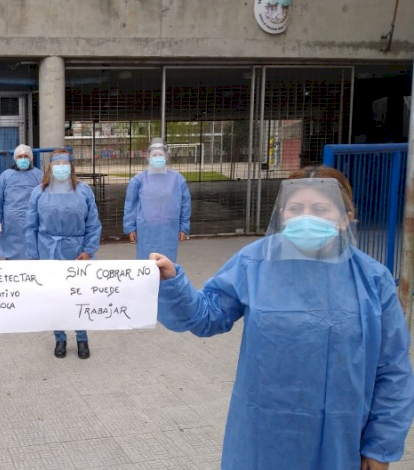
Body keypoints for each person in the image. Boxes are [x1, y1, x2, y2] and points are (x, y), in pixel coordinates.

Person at [151, 166, 414, 470]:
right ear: (282, 215)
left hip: (341, 440)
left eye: (320, 209)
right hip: (264, 437)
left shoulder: (372, 280)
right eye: (295, 208)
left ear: (345, 218)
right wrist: (173, 283)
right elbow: (206, 315)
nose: (306, 218)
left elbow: (392, 368)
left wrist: (380, 447)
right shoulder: (255, 262)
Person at [25, 149, 102, 359]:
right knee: (55, 297)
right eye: (56, 163)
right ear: (50, 167)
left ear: (71, 166)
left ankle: (82, 337)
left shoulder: (84, 191)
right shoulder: (39, 192)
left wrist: (88, 250)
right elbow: (30, 227)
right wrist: (34, 257)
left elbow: (93, 224)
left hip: (76, 251)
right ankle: (59, 337)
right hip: (47, 250)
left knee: (79, 295)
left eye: (64, 163)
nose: (60, 167)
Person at [123, 137, 191, 262]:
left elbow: (185, 204)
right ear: (149, 157)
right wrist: (130, 227)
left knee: (168, 266)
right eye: (155, 155)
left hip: (169, 231)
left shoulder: (177, 179)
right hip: (145, 232)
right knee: (146, 267)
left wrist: (183, 227)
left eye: (161, 154)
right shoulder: (139, 180)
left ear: (166, 156)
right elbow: (130, 204)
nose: (158, 157)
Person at [0, 144, 44, 260]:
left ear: (31, 158)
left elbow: (44, 200)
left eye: (25, 156)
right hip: (11, 225)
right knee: (12, 257)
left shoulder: (39, 175)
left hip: (33, 222)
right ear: (15, 158)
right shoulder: (6, 176)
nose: (23, 159)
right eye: (20, 156)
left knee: (32, 254)